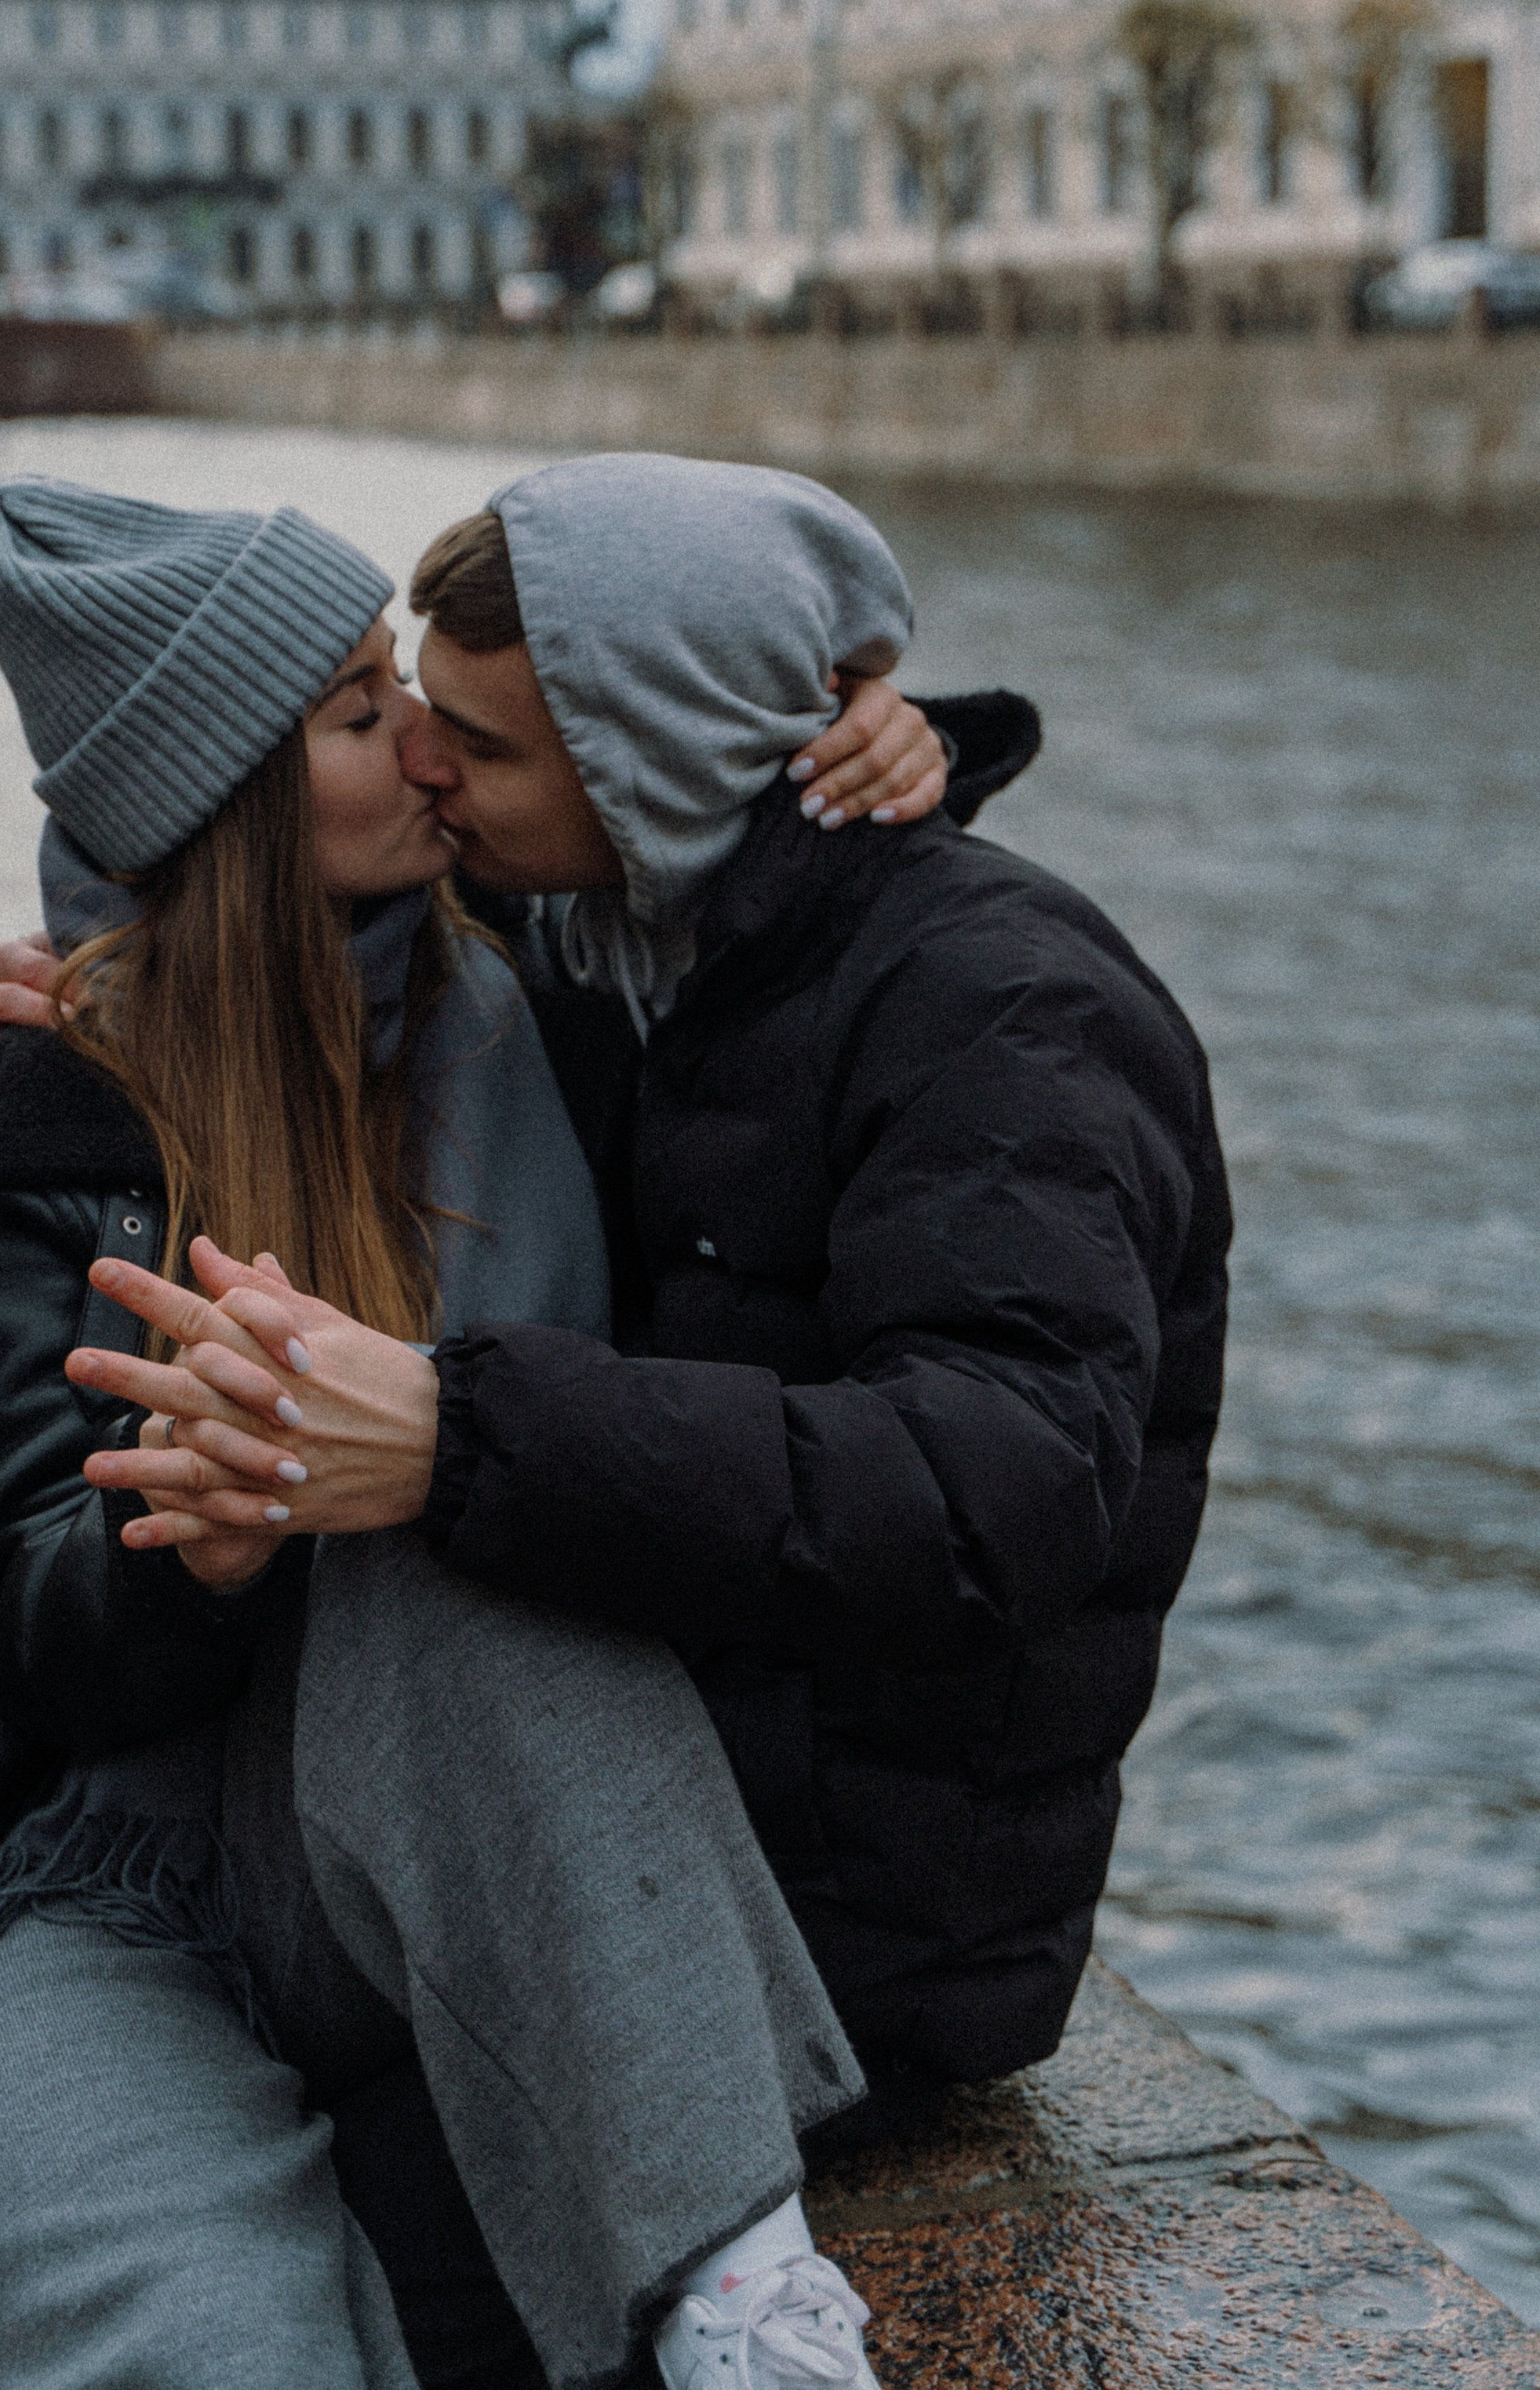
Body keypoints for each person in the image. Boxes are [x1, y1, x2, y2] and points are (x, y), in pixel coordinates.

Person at [0, 474, 974, 2390]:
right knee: (226, 2346)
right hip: (72, 1884)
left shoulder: (540, 1005)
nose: (427, 746)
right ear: (237, 801)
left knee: (466, 1505)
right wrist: (206, 1534)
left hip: (422, 1844)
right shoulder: (45, 1117)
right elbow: (15, 1617)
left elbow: (740, 906)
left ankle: (739, 2305)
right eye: (361, 713)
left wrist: (888, 741)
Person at [70, 450, 1232, 2137]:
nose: (418, 763)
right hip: (619, 1844)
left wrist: (453, 1433)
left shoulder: (1009, 1008)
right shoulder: (616, 937)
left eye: (475, 744)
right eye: (416, 714)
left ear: (647, 764)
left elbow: (1007, 1484)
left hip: (837, 1954)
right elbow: (220, 834)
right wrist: (74, 1004)